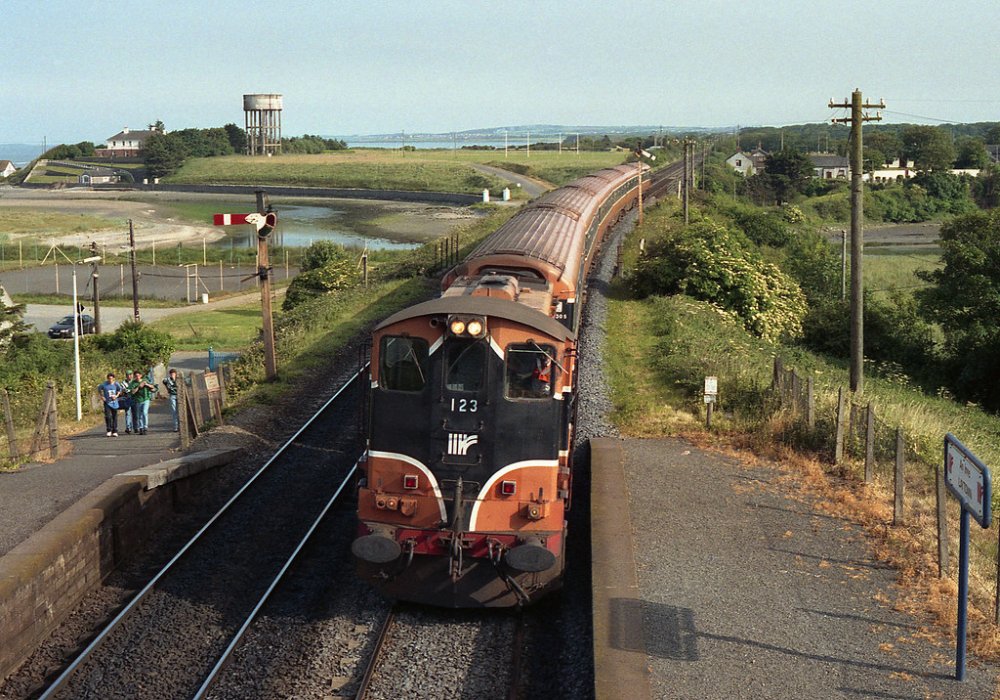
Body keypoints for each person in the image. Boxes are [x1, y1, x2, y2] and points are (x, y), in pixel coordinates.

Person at [129, 370, 156, 435]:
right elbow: (132, 392)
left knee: (144, 412)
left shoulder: (145, 380)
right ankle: (141, 428)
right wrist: (138, 387)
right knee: (139, 415)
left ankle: (145, 427)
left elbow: (153, 387)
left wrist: (146, 384)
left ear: (141, 375)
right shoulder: (133, 383)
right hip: (138, 400)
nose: (137, 377)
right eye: (136, 376)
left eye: (138, 375)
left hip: (146, 399)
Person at [97, 373, 120, 437]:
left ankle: (115, 431)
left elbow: (119, 390)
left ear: (114, 378)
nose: (110, 380)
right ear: (107, 379)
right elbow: (99, 389)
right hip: (107, 402)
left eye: (112, 378)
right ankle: (109, 430)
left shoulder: (116, 384)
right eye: (109, 379)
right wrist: (102, 396)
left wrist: (116, 396)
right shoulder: (104, 384)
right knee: (108, 416)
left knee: (114, 416)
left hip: (114, 402)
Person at [163, 368, 180, 432]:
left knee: (181, 410)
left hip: (179, 396)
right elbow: (164, 382)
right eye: (171, 374)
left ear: (176, 374)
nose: (172, 375)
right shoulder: (167, 380)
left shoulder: (179, 379)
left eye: (173, 373)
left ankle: (181, 425)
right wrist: (167, 388)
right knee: (174, 411)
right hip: (172, 395)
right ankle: (176, 427)